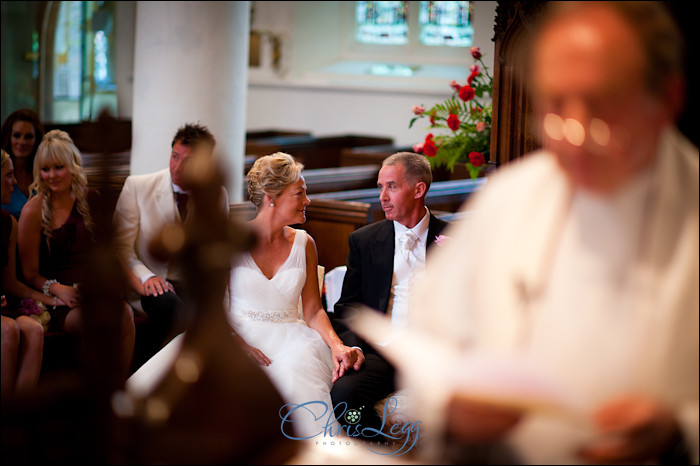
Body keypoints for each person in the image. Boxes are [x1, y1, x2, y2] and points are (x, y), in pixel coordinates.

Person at [405, 2, 698, 464]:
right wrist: (450, 404)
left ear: (668, 98)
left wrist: (678, 433)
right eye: (555, 104)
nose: (576, 132)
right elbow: (432, 337)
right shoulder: (508, 199)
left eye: (603, 102)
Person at [128, 152, 365, 439]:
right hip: (234, 333)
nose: (308, 201)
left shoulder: (305, 243)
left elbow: (313, 310)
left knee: (292, 382)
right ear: (271, 196)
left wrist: (337, 346)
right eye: (300, 193)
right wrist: (237, 343)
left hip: (294, 340)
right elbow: (209, 307)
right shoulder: (233, 240)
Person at [330, 151, 449, 439]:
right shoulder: (365, 240)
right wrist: (354, 348)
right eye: (380, 187)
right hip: (382, 352)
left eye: (391, 186)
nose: (382, 196)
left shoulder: (456, 239)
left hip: (436, 353)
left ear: (418, 189)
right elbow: (347, 307)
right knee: (345, 398)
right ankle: (378, 446)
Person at [17, 130, 135, 377]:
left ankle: (119, 391)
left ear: (72, 166)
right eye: (45, 169)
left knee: (125, 314)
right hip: (60, 301)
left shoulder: (91, 199)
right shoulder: (33, 210)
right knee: (98, 322)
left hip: (92, 289)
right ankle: (95, 398)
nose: (51, 176)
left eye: (58, 167)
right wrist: (59, 289)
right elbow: (29, 274)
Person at [112, 123, 228, 370]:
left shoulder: (216, 195)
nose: (177, 166)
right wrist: (147, 277)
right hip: (145, 283)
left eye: (188, 161)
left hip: (189, 284)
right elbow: (120, 247)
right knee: (175, 311)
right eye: (175, 156)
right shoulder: (138, 187)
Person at [1, 149, 58, 398]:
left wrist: (52, 299)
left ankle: (20, 416)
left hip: (4, 306)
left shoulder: (8, 223)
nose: (15, 182)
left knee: (34, 330)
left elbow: (11, 283)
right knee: (8, 331)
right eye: (8, 175)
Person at [1, 109, 45, 220]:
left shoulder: (45, 173)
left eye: (28, 136)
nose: (22, 142)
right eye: (17, 135)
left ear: (37, 140)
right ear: (8, 137)